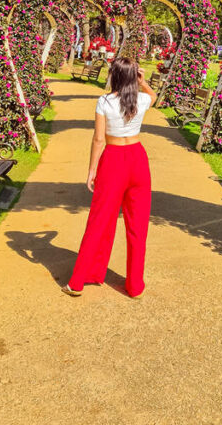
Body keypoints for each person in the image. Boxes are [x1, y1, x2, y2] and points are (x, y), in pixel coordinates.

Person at [64, 57, 157, 298]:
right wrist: (142, 82)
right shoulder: (141, 99)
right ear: (132, 76)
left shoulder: (104, 101)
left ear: (114, 76)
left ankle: (78, 281)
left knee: (99, 221)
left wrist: (92, 170)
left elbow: (98, 140)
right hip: (137, 159)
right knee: (137, 227)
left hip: (113, 160)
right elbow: (154, 97)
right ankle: (135, 286)